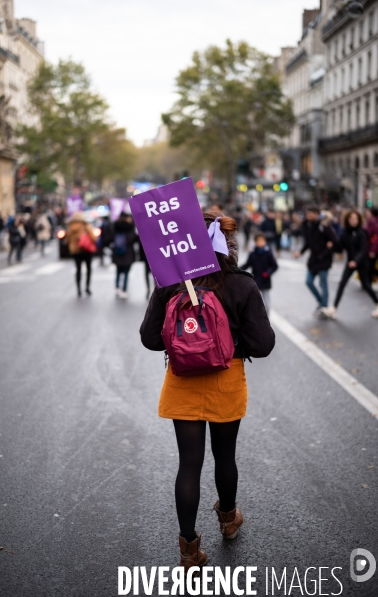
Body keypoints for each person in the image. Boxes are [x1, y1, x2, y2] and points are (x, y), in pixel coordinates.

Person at [140, 212, 275, 573]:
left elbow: (150, 339)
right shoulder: (241, 284)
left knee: (189, 463)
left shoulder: (170, 283)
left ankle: (189, 550)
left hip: (182, 379)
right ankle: (228, 520)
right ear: (226, 243)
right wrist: (229, 345)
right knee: (224, 455)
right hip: (226, 380)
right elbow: (263, 345)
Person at [322, 210, 378, 319]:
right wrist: (332, 244)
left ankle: (377, 303)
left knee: (366, 285)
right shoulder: (345, 233)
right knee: (342, 284)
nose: (353, 221)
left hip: (361, 263)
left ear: (359, 220)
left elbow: (363, 250)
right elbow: (339, 247)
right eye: (351, 219)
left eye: (355, 219)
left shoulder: (362, 233)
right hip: (350, 262)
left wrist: (356, 261)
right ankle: (334, 308)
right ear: (347, 220)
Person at [294, 206, 337, 318]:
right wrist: (301, 252)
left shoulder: (324, 226)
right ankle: (321, 302)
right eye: (307, 214)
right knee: (308, 281)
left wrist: (329, 247)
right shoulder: (309, 226)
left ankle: (324, 307)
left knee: (323, 283)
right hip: (313, 260)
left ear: (317, 214)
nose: (308, 217)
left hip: (324, 260)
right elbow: (308, 242)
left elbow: (335, 241)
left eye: (310, 214)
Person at [240, 232, 278, 314]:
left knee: (267, 303)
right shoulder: (253, 254)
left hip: (265, 280)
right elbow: (247, 264)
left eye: (262, 241)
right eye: (259, 241)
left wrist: (267, 273)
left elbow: (274, 266)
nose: (261, 243)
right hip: (256, 280)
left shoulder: (268, 253)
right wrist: (237, 269)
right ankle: (258, 319)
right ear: (255, 242)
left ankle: (267, 319)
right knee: (256, 302)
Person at [66, 212, 97, 297]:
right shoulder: (85, 225)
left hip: (76, 251)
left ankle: (78, 289)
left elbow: (67, 240)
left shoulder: (70, 227)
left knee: (78, 270)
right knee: (88, 269)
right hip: (86, 250)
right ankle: (87, 287)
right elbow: (93, 238)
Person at [111, 212, 137, 298]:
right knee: (126, 272)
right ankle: (124, 290)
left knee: (118, 271)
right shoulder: (130, 227)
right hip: (127, 253)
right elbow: (132, 239)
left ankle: (117, 288)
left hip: (117, 252)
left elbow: (111, 238)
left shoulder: (115, 226)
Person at [365, 207, 378, 285]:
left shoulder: (375, 223)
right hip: (368, 248)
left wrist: (373, 250)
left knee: (370, 267)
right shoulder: (369, 222)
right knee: (368, 267)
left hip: (372, 249)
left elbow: (376, 238)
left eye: (368, 213)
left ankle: (368, 283)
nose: (366, 214)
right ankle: (367, 283)